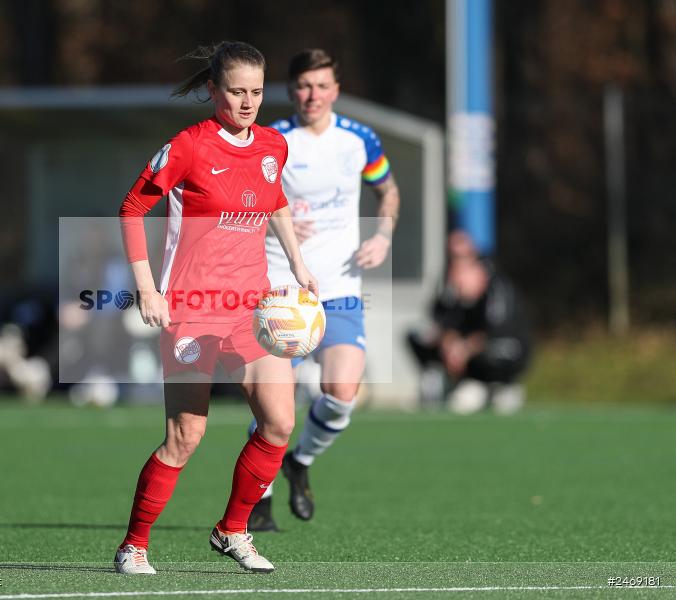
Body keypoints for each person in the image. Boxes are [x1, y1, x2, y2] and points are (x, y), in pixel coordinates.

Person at [115, 41, 316, 575]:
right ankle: (134, 545)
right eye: (236, 91)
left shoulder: (273, 145)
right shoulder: (188, 146)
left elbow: (273, 199)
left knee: (279, 423)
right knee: (185, 436)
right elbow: (132, 208)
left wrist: (297, 264)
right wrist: (147, 288)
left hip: (253, 308)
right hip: (192, 309)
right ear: (212, 89)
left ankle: (232, 531)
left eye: (256, 92)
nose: (247, 103)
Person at [246, 49, 401, 532]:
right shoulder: (271, 140)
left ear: (335, 90)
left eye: (321, 85)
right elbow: (241, 203)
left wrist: (383, 235)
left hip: (340, 287)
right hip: (281, 289)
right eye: (303, 86)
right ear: (291, 91)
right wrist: (274, 226)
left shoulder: (359, 139)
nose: (311, 95)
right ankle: (259, 500)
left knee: (342, 393)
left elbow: (388, 191)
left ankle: (300, 461)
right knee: (274, 403)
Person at [407, 231, 531, 414]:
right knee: (418, 336)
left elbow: (495, 330)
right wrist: (449, 343)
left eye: (463, 257)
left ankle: (498, 387)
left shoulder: (496, 287)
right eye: (453, 256)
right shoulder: (450, 285)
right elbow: (441, 320)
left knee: (492, 351)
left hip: (503, 349)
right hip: (464, 353)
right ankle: (445, 383)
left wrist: (464, 349)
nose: (457, 263)